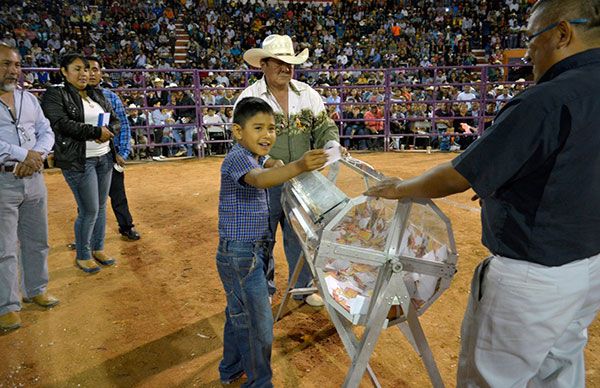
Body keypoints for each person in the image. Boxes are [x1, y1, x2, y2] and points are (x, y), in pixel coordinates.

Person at [365, 2, 600, 386]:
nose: (527, 53)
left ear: (562, 33)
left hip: (532, 276)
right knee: (559, 370)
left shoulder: (547, 98)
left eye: (532, 38)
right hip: (588, 269)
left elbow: (458, 176)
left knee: (492, 378)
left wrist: (399, 188)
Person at [216, 97, 326, 386]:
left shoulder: (253, 155)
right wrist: (299, 165)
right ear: (238, 132)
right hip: (241, 255)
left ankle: (230, 369)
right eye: (259, 128)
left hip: (254, 251)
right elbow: (261, 179)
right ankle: (259, 383)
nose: (267, 135)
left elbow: (267, 164)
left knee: (238, 313)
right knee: (257, 324)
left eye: (272, 128)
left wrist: (275, 160)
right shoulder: (238, 158)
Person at [235, 34, 340, 307]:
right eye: (279, 62)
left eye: (289, 63)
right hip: (265, 181)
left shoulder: (308, 94)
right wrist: (268, 160)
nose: (285, 68)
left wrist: (331, 143)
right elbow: (243, 140)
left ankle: (303, 288)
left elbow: (323, 126)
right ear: (264, 65)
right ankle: (262, 291)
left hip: (302, 180)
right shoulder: (249, 98)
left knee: (301, 235)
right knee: (262, 237)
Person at [41, 53, 120, 274]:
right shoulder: (55, 94)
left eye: (86, 69)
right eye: (77, 69)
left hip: (103, 157)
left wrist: (108, 132)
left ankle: (98, 248)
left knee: (101, 206)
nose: (84, 73)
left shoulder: (96, 94)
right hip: (79, 160)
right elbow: (61, 123)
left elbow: (114, 120)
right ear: (64, 72)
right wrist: (96, 131)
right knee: (89, 209)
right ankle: (84, 254)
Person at [0, 43, 57, 331]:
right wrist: (25, 155)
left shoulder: (28, 99)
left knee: (38, 238)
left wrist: (39, 155)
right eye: (5, 64)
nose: (13, 70)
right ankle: (7, 306)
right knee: (4, 247)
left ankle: (36, 289)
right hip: (3, 180)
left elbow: (46, 131)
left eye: (16, 64)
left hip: (34, 177)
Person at [87, 57, 141, 241]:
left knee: (118, 194)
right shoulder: (72, 99)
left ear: (101, 73)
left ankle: (126, 226)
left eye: (95, 69)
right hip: (85, 156)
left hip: (110, 155)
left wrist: (122, 152)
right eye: (87, 69)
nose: (91, 73)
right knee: (87, 199)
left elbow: (124, 125)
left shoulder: (111, 97)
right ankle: (86, 234)